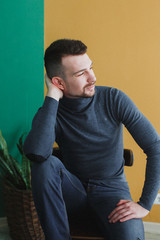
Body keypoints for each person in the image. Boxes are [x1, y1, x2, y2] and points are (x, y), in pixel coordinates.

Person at [24, 39, 160, 240]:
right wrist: (52, 96)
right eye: (81, 73)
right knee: (44, 166)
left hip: (112, 193)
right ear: (59, 82)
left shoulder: (113, 98)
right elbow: (36, 153)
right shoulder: (52, 112)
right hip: (74, 193)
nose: (92, 77)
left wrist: (144, 204)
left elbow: (155, 146)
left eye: (91, 68)